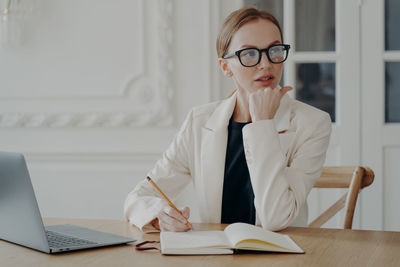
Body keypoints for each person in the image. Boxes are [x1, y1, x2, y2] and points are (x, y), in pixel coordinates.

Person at [124, 6, 331, 232]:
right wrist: (159, 214)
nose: (266, 64)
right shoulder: (199, 121)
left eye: (274, 50)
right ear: (225, 67)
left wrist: (262, 124)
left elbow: (276, 218)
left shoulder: (312, 124)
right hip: (216, 255)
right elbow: (140, 196)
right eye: (249, 53)